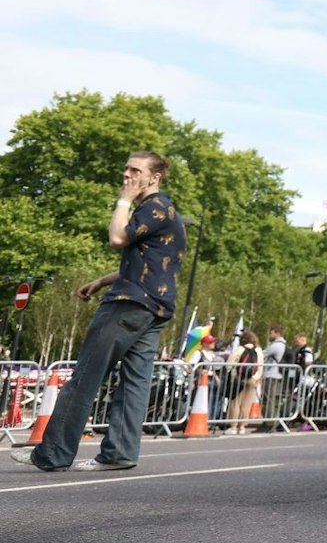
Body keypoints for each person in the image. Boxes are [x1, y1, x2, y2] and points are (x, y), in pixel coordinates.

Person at [11, 152, 185, 472]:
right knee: (135, 381)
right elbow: (153, 266)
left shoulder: (154, 207)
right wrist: (102, 280)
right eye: (125, 170)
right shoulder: (169, 213)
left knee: (85, 377)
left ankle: (52, 453)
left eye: (135, 171)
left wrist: (123, 201)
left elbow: (117, 238)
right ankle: (119, 452)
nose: (127, 176)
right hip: (155, 307)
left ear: (155, 177)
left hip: (128, 305)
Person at [226, 331, 262, 433]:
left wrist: (231, 373)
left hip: (239, 378)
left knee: (235, 402)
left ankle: (233, 426)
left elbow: (229, 363)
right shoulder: (258, 351)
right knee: (246, 403)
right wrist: (256, 377)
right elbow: (260, 366)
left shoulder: (240, 349)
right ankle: (242, 426)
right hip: (252, 379)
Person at [261, 326, 289, 421]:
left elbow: (261, 354)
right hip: (277, 375)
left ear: (277, 334)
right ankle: (269, 420)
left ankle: (269, 422)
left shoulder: (276, 346)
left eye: (271, 333)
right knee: (271, 399)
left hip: (271, 374)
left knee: (268, 400)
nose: (270, 335)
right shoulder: (283, 344)